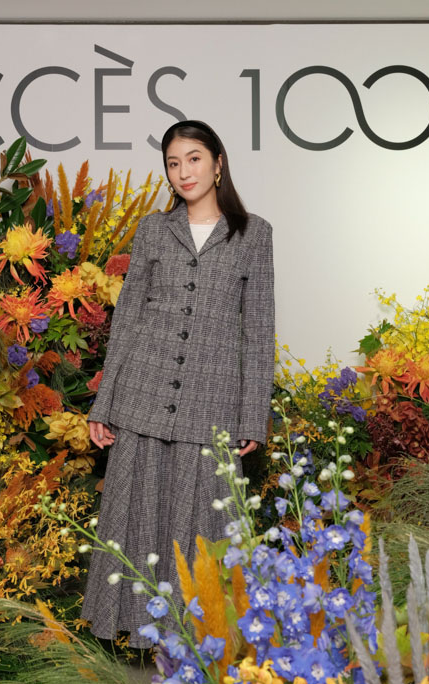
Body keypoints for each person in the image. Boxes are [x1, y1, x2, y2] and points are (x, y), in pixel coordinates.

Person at [82, 119, 275, 648]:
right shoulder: (152, 230)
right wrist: (104, 404)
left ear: (218, 163)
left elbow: (258, 331)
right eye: (173, 163)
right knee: (137, 518)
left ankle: (198, 638)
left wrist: (252, 415)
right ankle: (131, 633)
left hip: (212, 404)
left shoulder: (254, 234)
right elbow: (127, 320)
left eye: (193, 159)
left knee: (203, 527)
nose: (184, 172)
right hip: (142, 395)